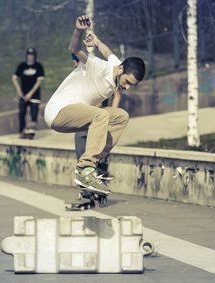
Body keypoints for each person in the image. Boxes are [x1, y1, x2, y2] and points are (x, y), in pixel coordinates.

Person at [44, 15, 145, 192]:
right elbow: (74, 48)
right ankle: (85, 168)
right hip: (58, 112)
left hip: (76, 114)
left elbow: (108, 53)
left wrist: (97, 42)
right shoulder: (99, 67)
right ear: (121, 70)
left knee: (121, 116)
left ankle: (95, 162)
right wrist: (78, 31)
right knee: (101, 114)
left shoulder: (116, 65)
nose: (126, 88)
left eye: (131, 85)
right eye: (127, 82)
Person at [71, 53, 122, 177]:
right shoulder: (75, 79)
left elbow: (117, 95)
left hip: (100, 121)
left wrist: (111, 114)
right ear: (75, 63)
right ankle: (85, 188)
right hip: (83, 122)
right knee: (83, 155)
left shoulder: (99, 73)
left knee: (100, 157)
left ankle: (101, 182)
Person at [12, 48, 45, 138]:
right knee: (22, 113)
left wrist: (30, 93)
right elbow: (14, 78)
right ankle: (22, 131)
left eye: (32, 55)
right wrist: (18, 90)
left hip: (34, 95)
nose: (30, 57)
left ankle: (31, 132)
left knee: (33, 114)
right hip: (23, 94)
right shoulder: (22, 66)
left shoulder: (38, 66)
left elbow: (39, 81)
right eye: (29, 55)